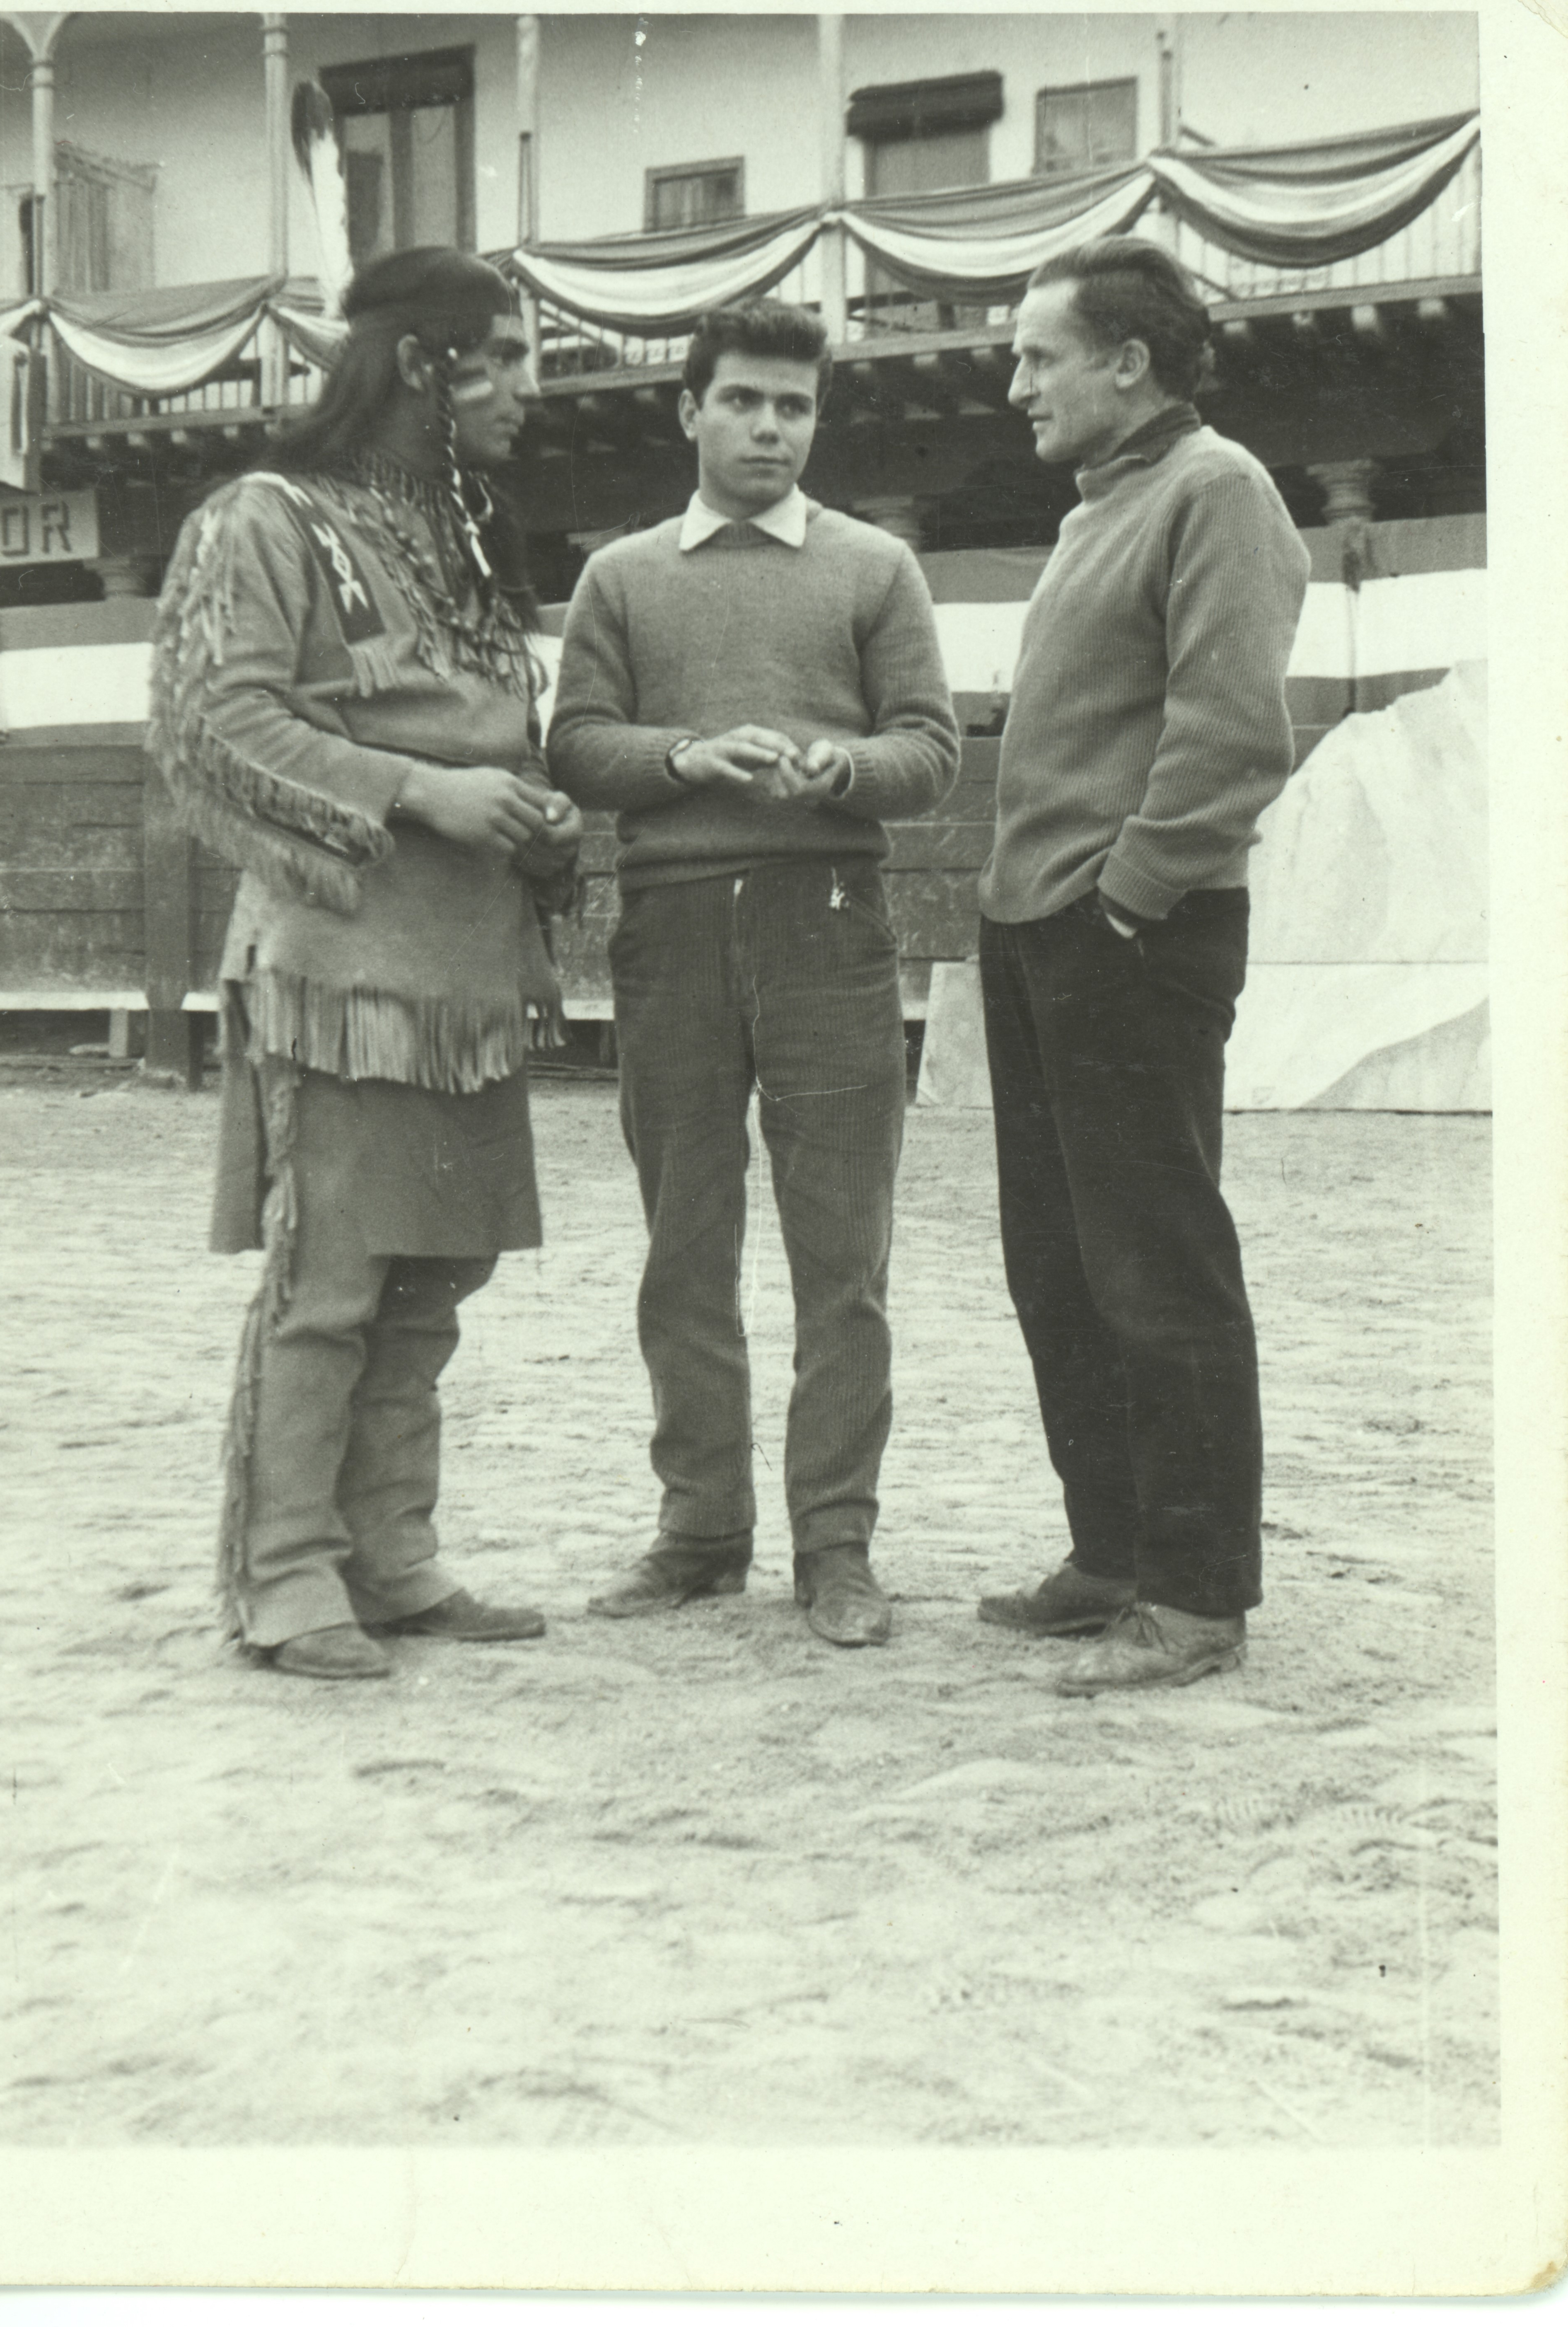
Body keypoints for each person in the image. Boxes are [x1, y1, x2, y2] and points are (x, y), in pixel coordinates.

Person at [148, 247, 582, 1681]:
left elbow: (488, 735)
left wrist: (526, 809)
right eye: (504, 358)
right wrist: (421, 793)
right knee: (331, 1281)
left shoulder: (464, 536)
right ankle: (284, 1578)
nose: (528, 388)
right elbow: (223, 721)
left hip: (467, 970)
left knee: (436, 1278)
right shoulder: (263, 518)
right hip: (338, 965)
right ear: (420, 365)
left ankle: (391, 1556)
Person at [547, 298, 959, 1648]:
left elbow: (930, 749)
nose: (769, 428)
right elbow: (576, 745)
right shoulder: (621, 576)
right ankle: (700, 1534)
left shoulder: (872, 566)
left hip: (828, 923)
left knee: (840, 1256)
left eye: (792, 406)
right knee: (686, 1248)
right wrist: (680, 759)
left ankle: (834, 1548)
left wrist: (839, 768)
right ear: (690, 410)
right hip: (667, 927)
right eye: (743, 401)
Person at [974, 237, 1310, 1694]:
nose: (1013, 383)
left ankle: (1192, 1595)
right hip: (1037, 927)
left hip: (1128, 935)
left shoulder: (1216, 490)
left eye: (1038, 356)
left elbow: (1229, 735)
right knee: (1057, 1261)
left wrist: (1125, 902)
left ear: (1128, 362)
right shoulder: (1099, 507)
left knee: (1155, 1260)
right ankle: (1108, 1554)